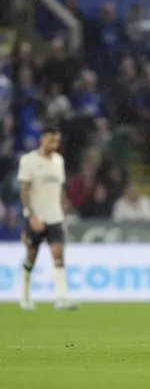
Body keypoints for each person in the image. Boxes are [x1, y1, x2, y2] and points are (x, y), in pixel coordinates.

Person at [17, 127, 77, 311]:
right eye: (51, 141)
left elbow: (60, 189)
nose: (55, 145)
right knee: (31, 257)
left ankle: (61, 299)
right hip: (35, 217)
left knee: (58, 255)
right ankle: (25, 297)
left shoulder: (59, 161)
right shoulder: (29, 160)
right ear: (42, 139)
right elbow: (24, 190)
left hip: (55, 217)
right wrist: (31, 215)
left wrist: (63, 210)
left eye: (57, 141)